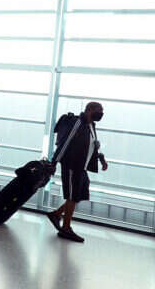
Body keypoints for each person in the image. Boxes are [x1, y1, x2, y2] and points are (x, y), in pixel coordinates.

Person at [47, 102, 109, 243]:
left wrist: (101, 159)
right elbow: (65, 143)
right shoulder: (78, 123)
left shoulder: (91, 125)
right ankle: (66, 228)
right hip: (71, 164)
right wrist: (54, 163)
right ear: (89, 110)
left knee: (80, 194)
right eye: (99, 111)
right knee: (72, 196)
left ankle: (56, 214)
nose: (101, 114)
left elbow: (92, 145)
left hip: (82, 167)